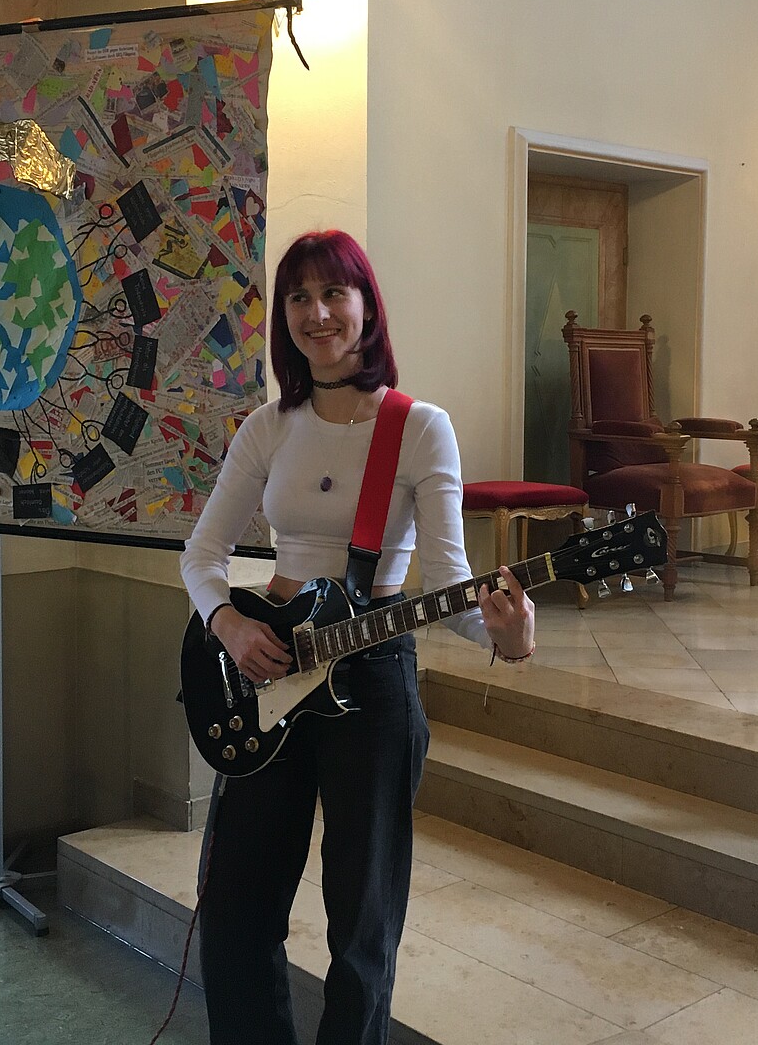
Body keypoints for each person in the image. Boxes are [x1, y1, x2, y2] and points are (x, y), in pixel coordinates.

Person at [180, 228, 536, 1044]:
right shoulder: (269, 426)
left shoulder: (418, 427)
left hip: (371, 682)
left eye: (333, 293)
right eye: (299, 297)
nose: (317, 313)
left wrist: (507, 636)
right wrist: (229, 624)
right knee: (235, 910)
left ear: (367, 306)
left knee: (363, 927)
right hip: (266, 672)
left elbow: (448, 583)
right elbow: (202, 555)